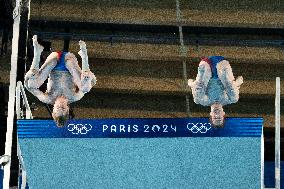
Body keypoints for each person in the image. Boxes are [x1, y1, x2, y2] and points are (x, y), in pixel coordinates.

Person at [24, 35, 96, 127]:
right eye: (63, 107)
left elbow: (29, 88)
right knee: (85, 88)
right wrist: (90, 76)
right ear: (67, 108)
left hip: (53, 62)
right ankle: (84, 56)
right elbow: (92, 83)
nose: (60, 104)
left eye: (58, 107)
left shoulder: (47, 98)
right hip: (69, 62)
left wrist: (27, 77)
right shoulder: (74, 97)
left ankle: (37, 52)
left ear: (53, 108)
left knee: (32, 84)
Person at [188, 56, 243, 127]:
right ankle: (224, 74)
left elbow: (189, 81)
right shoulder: (229, 99)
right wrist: (238, 83)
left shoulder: (203, 101)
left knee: (197, 100)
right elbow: (240, 78)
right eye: (219, 118)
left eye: (215, 118)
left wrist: (191, 84)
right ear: (223, 114)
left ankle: (203, 72)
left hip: (207, 66)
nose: (217, 114)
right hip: (221, 65)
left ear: (211, 114)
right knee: (234, 98)